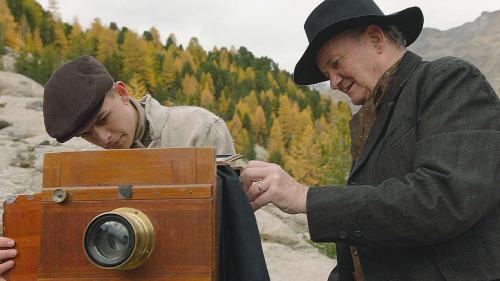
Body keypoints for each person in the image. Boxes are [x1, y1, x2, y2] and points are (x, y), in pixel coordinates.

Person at [240, 0, 500, 280]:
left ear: (376, 39)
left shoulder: (449, 79)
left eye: (336, 64)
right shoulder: (372, 118)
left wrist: (305, 197)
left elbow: (443, 199)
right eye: (328, 74)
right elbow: (369, 237)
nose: (334, 82)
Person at [0, 55, 236, 278]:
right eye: (87, 134)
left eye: (103, 119)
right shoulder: (82, 170)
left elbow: (230, 234)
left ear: (122, 93)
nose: (104, 139)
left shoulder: (198, 130)